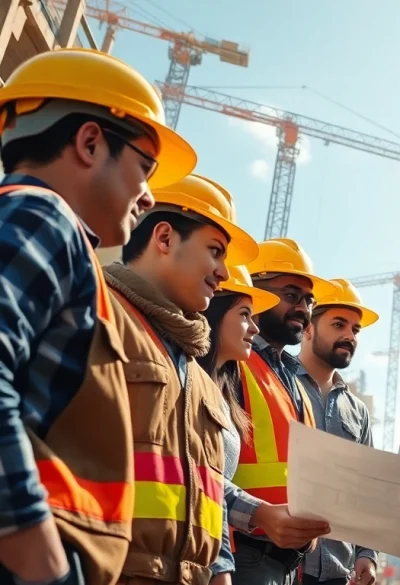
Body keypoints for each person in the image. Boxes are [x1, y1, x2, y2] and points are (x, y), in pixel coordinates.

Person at [0, 48, 196, 585]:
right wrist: (41, 560)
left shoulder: (51, 233)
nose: (149, 196)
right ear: (90, 143)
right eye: (145, 167)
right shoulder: (43, 217)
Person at [106, 173, 259, 584]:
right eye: (215, 251)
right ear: (164, 238)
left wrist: (220, 569)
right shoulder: (96, 314)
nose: (223, 272)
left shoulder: (200, 380)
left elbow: (209, 493)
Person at [229, 238, 334, 585]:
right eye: (291, 295)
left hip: (289, 563)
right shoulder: (232, 361)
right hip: (243, 552)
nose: (303, 308)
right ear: (255, 293)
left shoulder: (292, 377)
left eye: (309, 300)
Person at [198, 264, 281, 585]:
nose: (255, 328)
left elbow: (213, 489)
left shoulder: (222, 393)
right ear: (214, 313)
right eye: (245, 314)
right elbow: (202, 483)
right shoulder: (189, 383)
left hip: (206, 557)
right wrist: (221, 568)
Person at [295, 278, 379, 585]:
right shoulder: (276, 385)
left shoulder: (358, 411)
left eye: (355, 330)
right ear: (307, 328)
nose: (349, 336)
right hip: (284, 565)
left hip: (337, 572)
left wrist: (367, 553)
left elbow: (366, 488)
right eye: (338, 325)